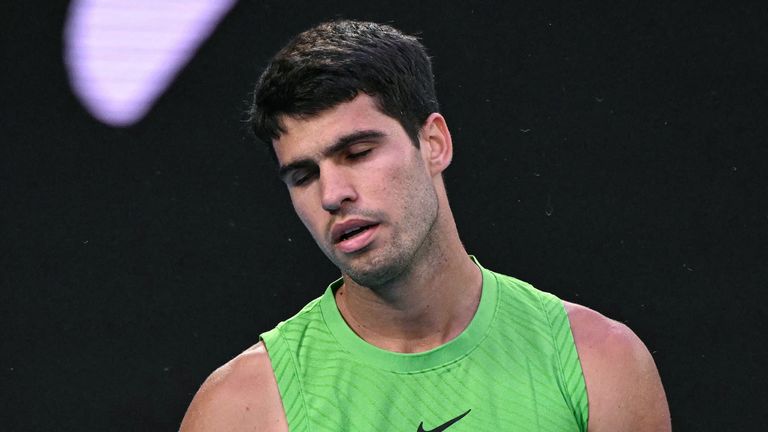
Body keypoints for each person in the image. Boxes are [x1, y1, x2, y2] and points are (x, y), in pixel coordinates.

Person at [180, 20, 671, 431]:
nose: (332, 195)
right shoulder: (239, 410)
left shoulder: (602, 364)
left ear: (433, 143)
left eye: (357, 153)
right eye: (303, 175)